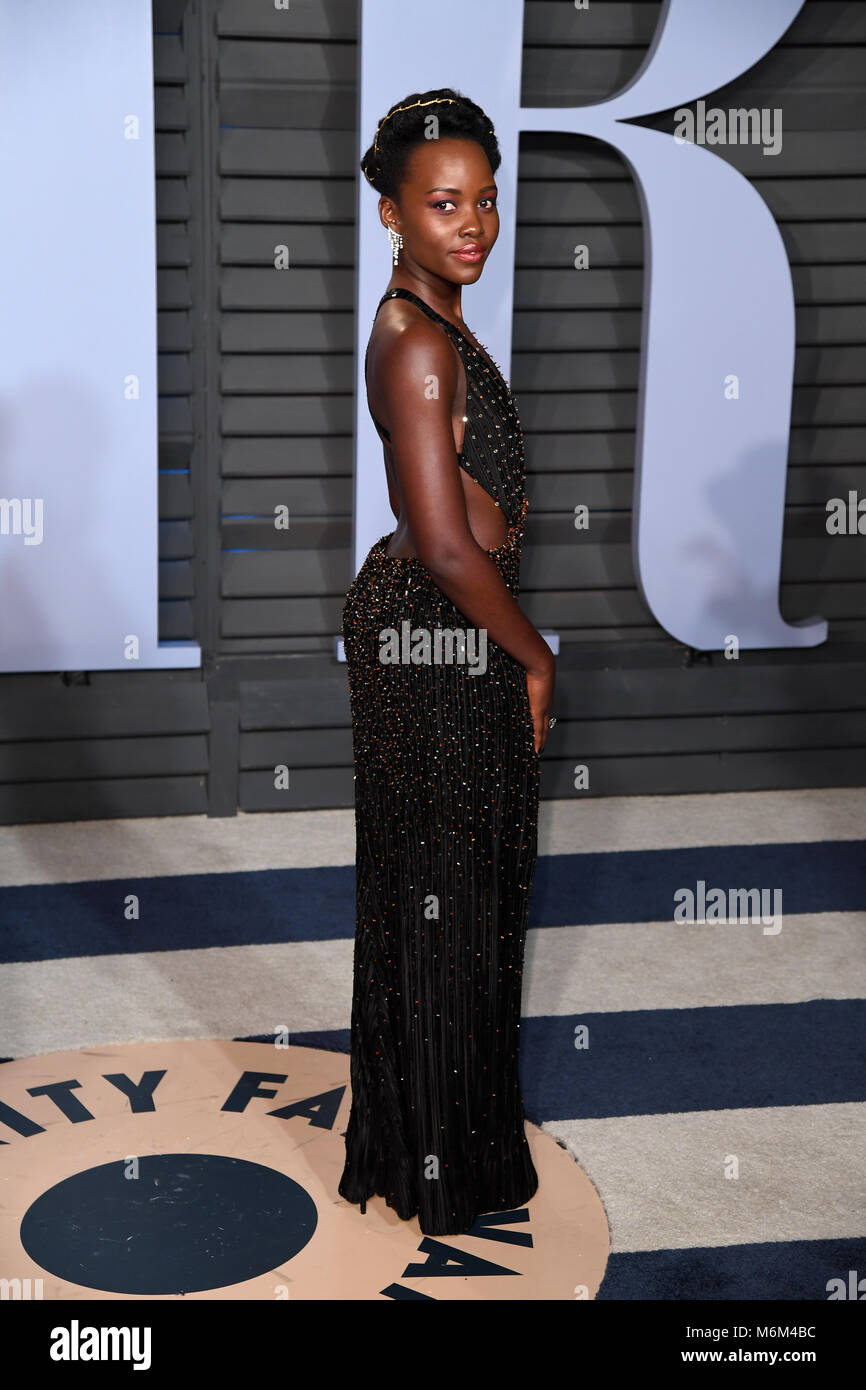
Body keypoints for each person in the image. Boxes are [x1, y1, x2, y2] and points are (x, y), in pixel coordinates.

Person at [338, 88, 556, 1237]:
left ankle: (425, 1133)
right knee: (452, 894)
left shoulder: (430, 318)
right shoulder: (417, 340)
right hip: (439, 638)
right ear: (390, 214)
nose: (470, 223)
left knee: (448, 892)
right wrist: (535, 657)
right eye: (441, 204)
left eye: (483, 200)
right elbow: (443, 543)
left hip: (434, 626)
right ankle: (441, 1158)